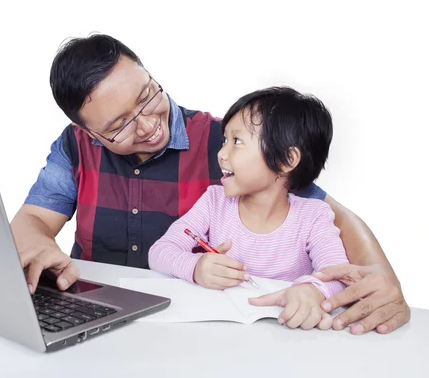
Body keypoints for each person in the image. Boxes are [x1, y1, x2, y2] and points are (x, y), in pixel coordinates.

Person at [10, 33, 410, 335]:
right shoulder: (74, 146)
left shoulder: (229, 144)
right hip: (94, 316)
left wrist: (380, 277)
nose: (149, 125)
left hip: (198, 330)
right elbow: (31, 220)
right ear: (88, 133)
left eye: (148, 96)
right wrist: (40, 246)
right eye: (120, 126)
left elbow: (331, 214)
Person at [148, 87, 349, 330]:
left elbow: (338, 275)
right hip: (221, 333)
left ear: (286, 160)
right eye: (224, 141)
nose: (221, 154)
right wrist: (195, 267)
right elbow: (159, 252)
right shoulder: (214, 201)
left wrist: (311, 291)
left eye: (237, 141)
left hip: (285, 336)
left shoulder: (313, 216)